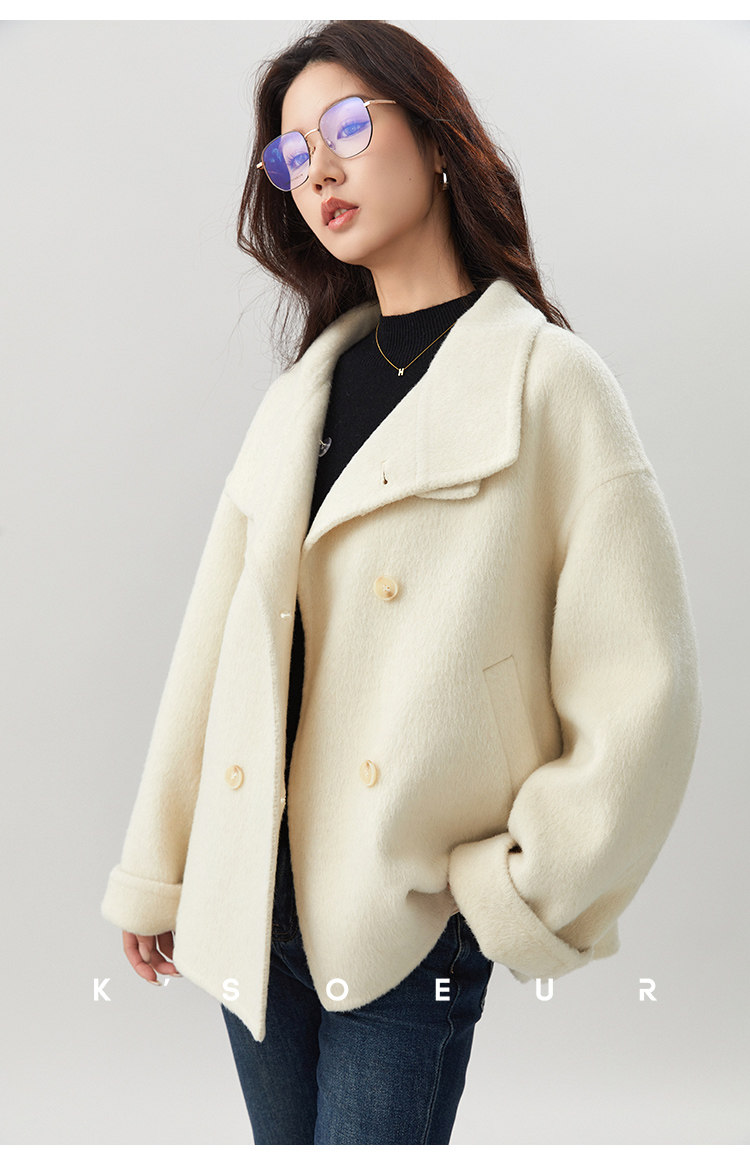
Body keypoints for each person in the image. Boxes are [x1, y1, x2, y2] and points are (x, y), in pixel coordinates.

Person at [100, 19, 702, 1146]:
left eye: (345, 126)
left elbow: (644, 691)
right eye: (292, 153)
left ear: (434, 136)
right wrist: (161, 865)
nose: (316, 170)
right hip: (250, 902)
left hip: (403, 917)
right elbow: (218, 649)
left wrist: (511, 893)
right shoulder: (301, 396)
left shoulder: (548, 382)